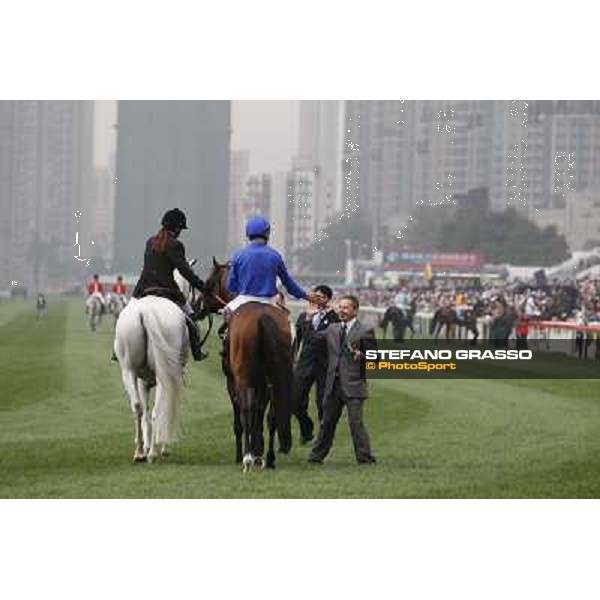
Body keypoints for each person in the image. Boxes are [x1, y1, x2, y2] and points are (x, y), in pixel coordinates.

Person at [131, 208, 208, 361]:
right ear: (177, 228)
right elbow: (185, 272)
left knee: (127, 315)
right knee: (191, 320)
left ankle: (116, 352)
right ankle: (197, 352)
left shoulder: (149, 242)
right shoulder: (176, 245)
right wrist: (203, 288)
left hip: (143, 289)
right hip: (167, 290)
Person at [308, 295, 377, 465]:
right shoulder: (332, 328)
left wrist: (363, 355)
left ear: (355, 310)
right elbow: (313, 338)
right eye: (340, 307)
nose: (342, 311)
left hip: (354, 384)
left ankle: (365, 457)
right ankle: (316, 457)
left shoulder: (365, 330)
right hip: (333, 385)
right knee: (327, 423)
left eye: (346, 308)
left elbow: (376, 358)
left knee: (356, 424)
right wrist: (309, 319)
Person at [223, 215, 324, 323]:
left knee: (226, 315)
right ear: (267, 234)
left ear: (248, 234)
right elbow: (288, 283)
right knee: (288, 326)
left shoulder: (238, 255)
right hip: (269, 301)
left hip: (244, 299)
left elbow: (231, 286)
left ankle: (227, 338)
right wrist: (305, 295)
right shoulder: (275, 256)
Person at [292, 284, 340, 444]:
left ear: (328, 299)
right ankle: (306, 428)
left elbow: (316, 338)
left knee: (322, 404)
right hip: (304, 364)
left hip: (324, 366)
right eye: (315, 296)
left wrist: (308, 320)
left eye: (320, 297)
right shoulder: (303, 315)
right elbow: (297, 340)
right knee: (295, 401)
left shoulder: (334, 318)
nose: (317, 300)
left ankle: (323, 439)